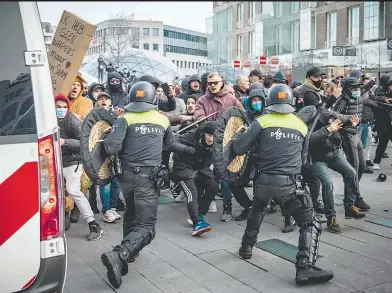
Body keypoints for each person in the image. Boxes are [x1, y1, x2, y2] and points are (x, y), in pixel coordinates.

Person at [232, 84, 334, 285]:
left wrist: (235, 136)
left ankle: (246, 248)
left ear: (270, 101)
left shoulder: (261, 122)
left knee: (257, 210)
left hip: (262, 181)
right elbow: (303, 159)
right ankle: (304, 267)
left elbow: (240, 148)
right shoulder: (300, 126)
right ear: (290, 102)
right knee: (309, 222)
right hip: (288, 183)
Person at [101, 81, 173, 289]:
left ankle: (129, 254)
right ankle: (120, 254)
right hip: (148, 179)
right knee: (147, 227)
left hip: (126, 178)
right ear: (153, 98)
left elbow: (112, 147)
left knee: (131, 212)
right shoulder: (163, 120)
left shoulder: (124, 118)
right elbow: (168, 144)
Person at [55, 93, 103, 241]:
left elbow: (84, 142)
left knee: (73, 190)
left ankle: (93, 224)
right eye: (58, 107)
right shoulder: (47, 120)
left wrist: (65, 142)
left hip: (71, 162)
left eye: (64, 107)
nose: (61, 109)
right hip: (54, 162)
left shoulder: (72, 120)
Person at [171, 121, 220, 236]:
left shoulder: (217, 142)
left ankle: (199, 214)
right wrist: (185, 148)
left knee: (214, 186)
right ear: (203, 134)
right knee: (191, 192)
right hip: (183, 168)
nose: (211, 139)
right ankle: (197, 223)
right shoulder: (191, 136)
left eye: (214, 136)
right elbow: (171, 142)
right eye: (209, 135)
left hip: (200, 167)